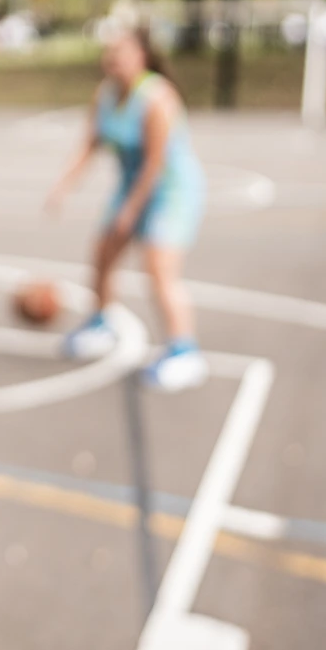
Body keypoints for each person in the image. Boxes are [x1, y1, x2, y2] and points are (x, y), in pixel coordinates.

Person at [47, 20, 208, 391]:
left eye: (120, 51)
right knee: (103, 252)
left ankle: (185, 351)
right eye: (109, 52)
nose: (112, 58)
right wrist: (63, 186)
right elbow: (90, 144)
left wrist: (131, 211)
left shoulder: (157, 97)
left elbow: (155, 162)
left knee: (159, 269)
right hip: (132, 187)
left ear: (142, 55)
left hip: (170, 190)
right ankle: (100, 323)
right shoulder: (106, 94)